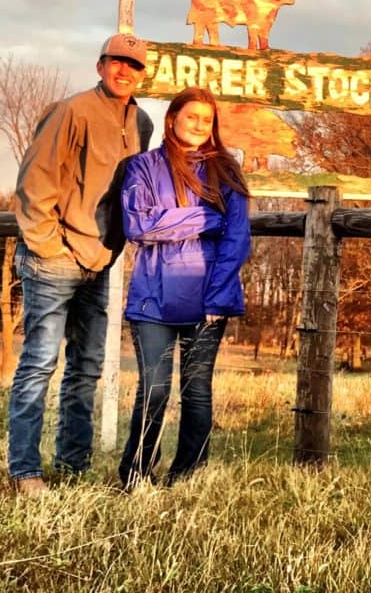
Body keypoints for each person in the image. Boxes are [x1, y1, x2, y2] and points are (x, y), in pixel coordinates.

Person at [8, 33, 154, 494]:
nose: (124, 71)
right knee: (39, 363)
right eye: (117, 62)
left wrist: (114, 249)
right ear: (100, 65)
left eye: (134, 65)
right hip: (55, 259)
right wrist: (48, 245)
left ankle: (72, 466)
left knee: (86, 367)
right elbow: (35, 181)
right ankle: (25, 471)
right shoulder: (71, 111)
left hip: (100, 261)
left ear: (142, 74)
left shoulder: (143, 123)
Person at [118, 87, 251, 488]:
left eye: (207, 120)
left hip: (208, 298)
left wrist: (218, 296)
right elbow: (138, 225)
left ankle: (187, 476)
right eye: (191, 116)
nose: (199, 125)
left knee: (196, 391)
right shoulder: (142, 167)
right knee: (154, 390)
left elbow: (237, 238)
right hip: (152, 299)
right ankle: (137, 475)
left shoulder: (226, 171)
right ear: (172, 118)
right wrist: (206, 219)